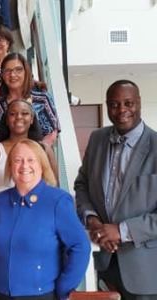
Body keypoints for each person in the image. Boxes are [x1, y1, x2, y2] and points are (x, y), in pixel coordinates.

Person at [75, 80, 157, 300]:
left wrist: (121, 231)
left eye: (128, 103)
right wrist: (93, 220)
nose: (122, 110)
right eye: (114, 104)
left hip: (145, 270)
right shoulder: (97, 139)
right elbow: (82, 184)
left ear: (139, 103)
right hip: (103, 262)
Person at [0, 139, 90, 300]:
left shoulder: (58, 201)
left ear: (42, 165)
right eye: (18, 160)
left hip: (40, 295)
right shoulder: (0, 201)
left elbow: (80, 246)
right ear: (10, 166)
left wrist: (64, 289)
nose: (24, 166)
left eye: (31, 160)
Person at [0, 99, 59, 252]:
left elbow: (54, 189)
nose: (19, 117)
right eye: (13, 114)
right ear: (6, 120)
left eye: (25, 113)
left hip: (37, 222)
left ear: (32, 119)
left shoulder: (45, 150)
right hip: (1, 222)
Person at [0, 52, 60, 150]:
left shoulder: (43, 100)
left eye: (18, 70)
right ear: (2, 75)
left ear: (26, 72)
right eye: (7, 71)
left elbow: (52, 133)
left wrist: (35, 155)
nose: (12, 75)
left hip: (36, 160)